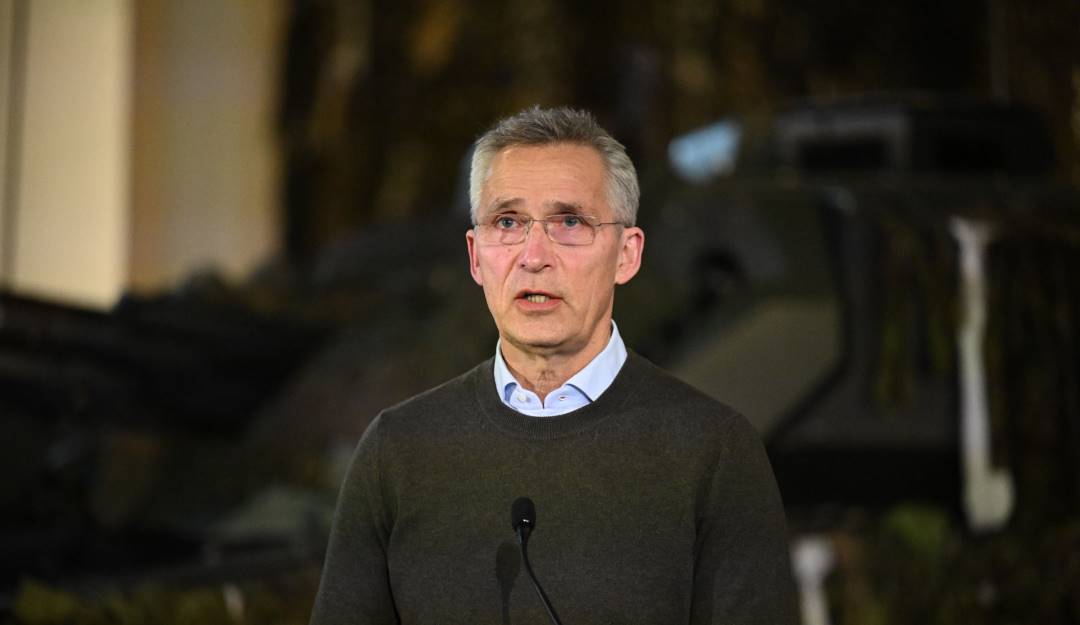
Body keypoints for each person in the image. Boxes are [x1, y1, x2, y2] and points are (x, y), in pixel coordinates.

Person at [310, 106, 796, 624]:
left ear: (627, 255)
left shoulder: (713, 450)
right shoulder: (397, 451)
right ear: (476, 257)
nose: (534, 254)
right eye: (508, 222)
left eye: (569, 221)